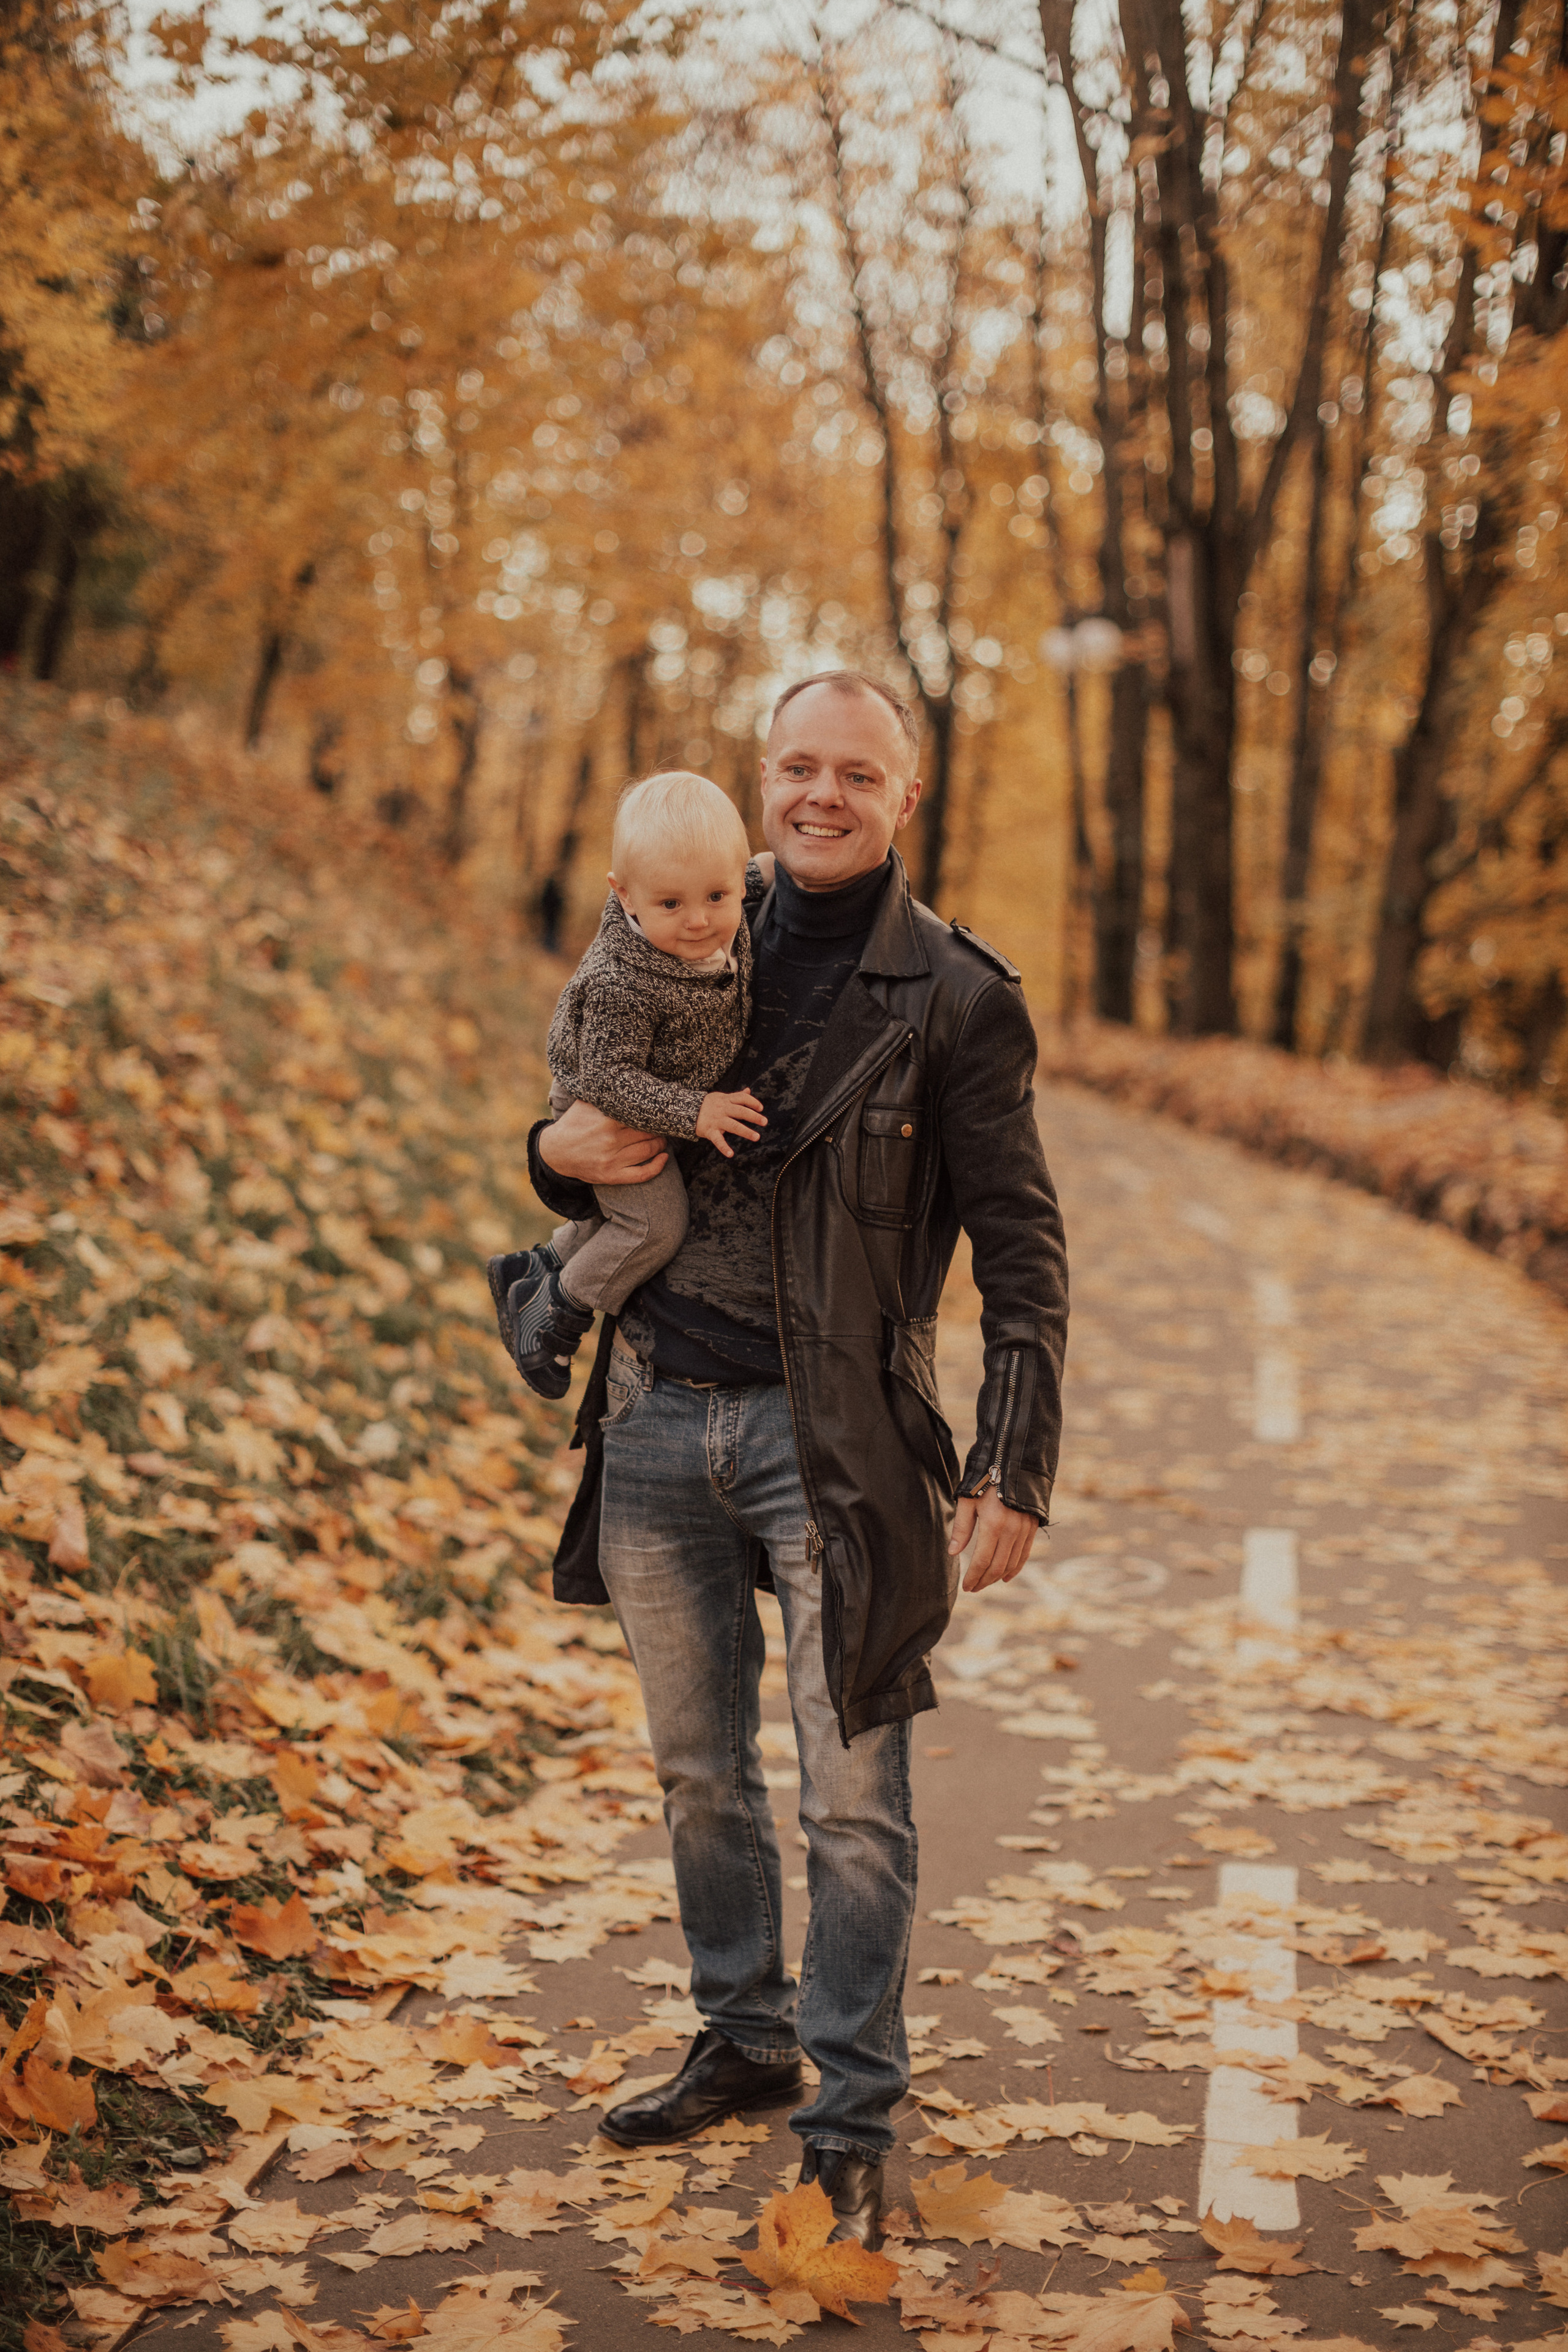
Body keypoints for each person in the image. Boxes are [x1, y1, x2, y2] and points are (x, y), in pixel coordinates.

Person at [526, 673, 1069, 2250]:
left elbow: (1021, 1242)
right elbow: (584, 1103)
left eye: (854, 772)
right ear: (764, 779)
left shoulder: (957, 995)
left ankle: (847, 2108)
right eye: (796, 766)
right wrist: (547, 1151)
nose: (818, 794)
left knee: (851, 1795)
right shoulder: (682, 908)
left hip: (832, 1445)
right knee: (699, 1773)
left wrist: (1013, 1453)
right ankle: (741, 2030)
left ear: (905, 797)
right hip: (651, 1421)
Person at [488, 769, 774, 1398]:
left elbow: (758, 871)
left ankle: (537, 1265)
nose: (699, 921)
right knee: (653, 1225)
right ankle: (555, 1312)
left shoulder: (725, 892)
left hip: (660, 1085)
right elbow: (609, 1078)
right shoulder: (624, 980)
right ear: (625, 895)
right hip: (606, 1097)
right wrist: (694, 1110)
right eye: (671, 904)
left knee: (631, 1213)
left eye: (717, 897)